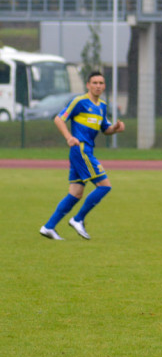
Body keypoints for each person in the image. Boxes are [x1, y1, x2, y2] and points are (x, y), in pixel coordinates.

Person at [39, 71, 126, 241]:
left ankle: (48, 227)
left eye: (101, 83)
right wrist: (69, 137)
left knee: (76, 193)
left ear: (104, 86)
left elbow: (105, 129)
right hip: (81, 150)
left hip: (86, 151)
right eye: (94, 82)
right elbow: (59, 119)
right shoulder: (79, 101)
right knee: (104, 186)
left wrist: (115, 129)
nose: (98, 86)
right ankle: (77, 219)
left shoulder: (102, 106)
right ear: (88, 85)